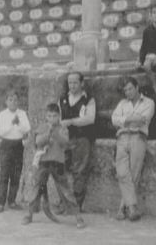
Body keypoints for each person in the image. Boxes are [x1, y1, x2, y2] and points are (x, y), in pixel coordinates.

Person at [22, 103, 86, 229]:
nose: (52, 119)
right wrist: (47, 134)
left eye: (55, 116)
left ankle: (78, 216)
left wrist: (55, 134)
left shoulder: (63, 128)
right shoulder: (41, 127)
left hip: (58, 163)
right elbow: (37, 142)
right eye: (49, 116)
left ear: (59, 116)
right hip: (43, 162)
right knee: (36, 188)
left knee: (65, 190)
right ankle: (29, 214)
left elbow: (65, 142)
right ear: (46, 116)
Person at [111, 77, 155, 221]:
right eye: (125, 90)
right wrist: (130, 119)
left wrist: (124, 119)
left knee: (134, 173)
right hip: (122, 138)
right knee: (122, 172)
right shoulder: (122, 103)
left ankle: (123, 208)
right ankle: (132, 207)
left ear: (137, 87)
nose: (128, 92)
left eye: (130, 88)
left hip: (138, 137)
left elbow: (143, 119)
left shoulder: (149, 102)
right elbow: (113, 119)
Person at [56, 71, 96, 213]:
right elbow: (57, 118)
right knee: (61, 171)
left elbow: (90, 119)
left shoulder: (88, 99)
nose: (72, 85)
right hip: (65, 139)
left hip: (82, 139)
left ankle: (77, 205)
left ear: (81, 83)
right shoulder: (62, 99)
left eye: (75, 82)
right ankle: (64, 203)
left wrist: (71, 121)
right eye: (70, 83)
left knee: (79, 172)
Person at [0, 90, 31, 213]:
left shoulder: (22, 113)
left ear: (18, 101)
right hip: (6, 145)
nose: (13, 102)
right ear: (6, 101)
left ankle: (12, 201)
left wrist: (18, 123)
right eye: (10, 99)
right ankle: (1, 202)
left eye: (15, 100)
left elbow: (27, 129)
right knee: (4, 174)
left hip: (18, 145)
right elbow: (1, 131)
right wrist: (12, 124)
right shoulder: (2, 114)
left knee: (16, 175)